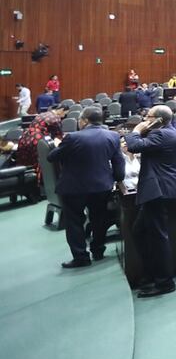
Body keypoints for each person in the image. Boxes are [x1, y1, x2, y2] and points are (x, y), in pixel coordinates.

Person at [46, 107, 125, 268]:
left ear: (84, 121)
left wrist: (57, 145)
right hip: (102, 186)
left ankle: (81, 257)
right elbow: (119, 162)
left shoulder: (73, 137)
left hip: (74, 188)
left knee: (75, 221)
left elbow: (51, 157)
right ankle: (98, 251)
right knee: (99, 219)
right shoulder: (113, 136)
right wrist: (117, 179)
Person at [123, 105, 176, 298]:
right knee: (139, 230)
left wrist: (136, 130)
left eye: (148, 117)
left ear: (158, 120)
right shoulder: (175, 134)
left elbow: (133, 146)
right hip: (163, 189)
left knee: (158, 238)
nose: (144, 120)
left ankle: (165, 282)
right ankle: (151, 273)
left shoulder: (161, 134)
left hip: (157, 191)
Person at [15, 106, 64, 183]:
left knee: (26, 162)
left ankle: (25, 182)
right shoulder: (55, 117)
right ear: (62, 110)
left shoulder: (42, 114)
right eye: (64, 114)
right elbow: (59, 135)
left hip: (26, 137)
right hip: (37, 139)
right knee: (40, 161)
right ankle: (39, 184)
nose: (63, 116)